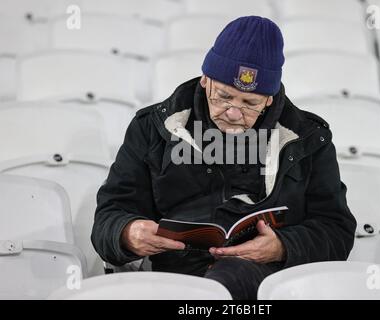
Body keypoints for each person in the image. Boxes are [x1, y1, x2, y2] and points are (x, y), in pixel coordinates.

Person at [91, 16, 356, 300]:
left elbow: (336, 230)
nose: (233, 113)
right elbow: (109, 215)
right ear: (205, 79)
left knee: (228, 282)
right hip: (172, 276)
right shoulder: (152, 127)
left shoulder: (308, 138)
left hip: (263, 280)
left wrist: (282, 246)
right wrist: (127, 233)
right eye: (223, 96)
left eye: (249, 103)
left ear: (269, 98)